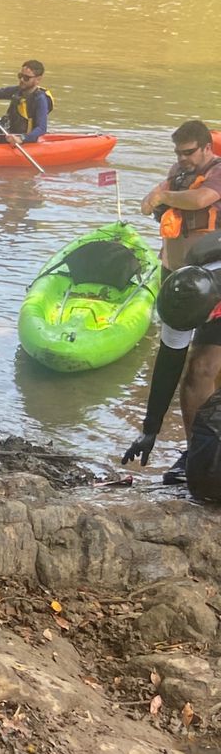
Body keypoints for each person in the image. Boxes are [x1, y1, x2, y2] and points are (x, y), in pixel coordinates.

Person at [122, 230, 221, 483]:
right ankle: (197, 453)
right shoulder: (181, 294)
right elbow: (168, 365)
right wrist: (150, 429)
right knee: (199, 369)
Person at [140, 120, 221, 271]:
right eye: (178, 153)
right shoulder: (178, 170)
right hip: (171, 264)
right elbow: (147, 204)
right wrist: (149, 203)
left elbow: (200, 199)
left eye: (189, 152)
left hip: (208, 267)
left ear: (207, 148)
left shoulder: (217, 171)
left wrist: (163, 197)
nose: (182, 158)